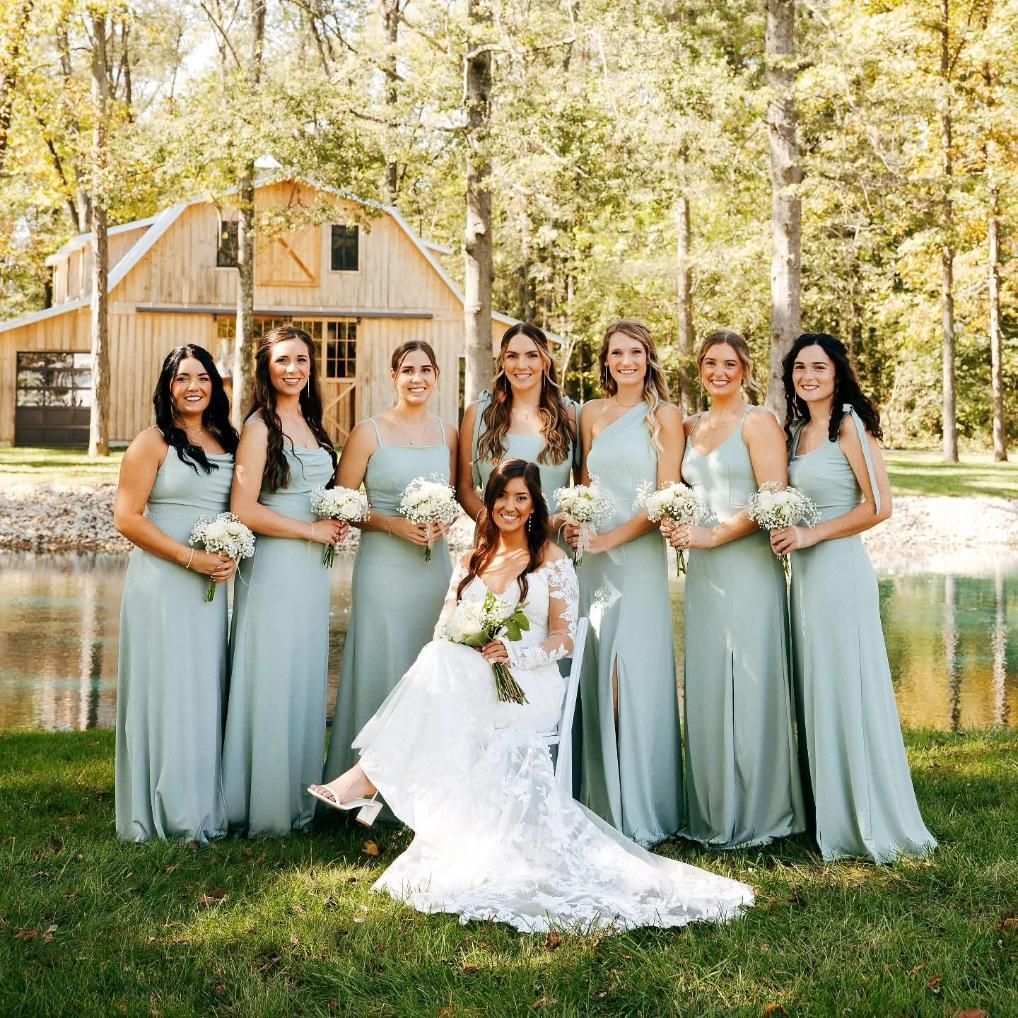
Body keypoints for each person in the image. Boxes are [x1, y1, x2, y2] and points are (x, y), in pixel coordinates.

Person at [310, 460, 753, 932]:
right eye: (502, 496)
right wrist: (471, 641)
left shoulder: (552, 561)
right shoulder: (471, 560)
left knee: (442, 663)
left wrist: (516, 653)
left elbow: (564, 637)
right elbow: (444, 629)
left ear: (534, 505)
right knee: (441, 654)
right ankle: (371, 778)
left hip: (530, 683)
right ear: (491, 500)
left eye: (521, 498)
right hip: (472, 678)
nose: (510, 506)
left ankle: (369, 777)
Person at [772, 332, 937, 862]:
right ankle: (829, 811)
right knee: (819, 687)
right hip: (805, 579)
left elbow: (880, 506)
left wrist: (811, 534)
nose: (808, 376)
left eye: (818, 366)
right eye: (799, 368)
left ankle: (867, 818)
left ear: (837, 371)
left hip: (840, 573)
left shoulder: (851, 425)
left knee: (848, 686)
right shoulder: (797, 431)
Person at [664, 331, 805, 848]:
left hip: (746, 568)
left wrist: (711, 534)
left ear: (744, 369)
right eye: (709, 362)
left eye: (728, 363)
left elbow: (772, 497)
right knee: (706, 683)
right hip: (703, 575)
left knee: (750, 680)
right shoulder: (690, 425)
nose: (718, 371)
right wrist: (674, 520)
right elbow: (677, 487)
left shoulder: (759, 422)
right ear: (699, 368)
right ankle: (711, 811)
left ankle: (761, 812)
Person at [221, 325, 346, 836]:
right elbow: (244, 509)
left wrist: (335, 520)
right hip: (274, 565)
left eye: (301, 359)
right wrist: (309, 530)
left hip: (312, 571)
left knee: (302, 672)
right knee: (272, 673)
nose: (293, 369)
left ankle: (298, 798)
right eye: (282, 361)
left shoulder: (313, 423)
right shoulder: (258, 426)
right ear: (266, 370)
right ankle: (264, 805)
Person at [113, 344, 239, 842]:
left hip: (210, 588)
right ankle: (157, 810)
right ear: (168, 386)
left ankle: (199, 804)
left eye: (203, 377)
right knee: (165, 689)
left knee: (200, 689)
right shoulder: (152, 442)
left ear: (215, 385)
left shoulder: (228, 439)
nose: (194, 386)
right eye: (183, 377)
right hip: (163, 583)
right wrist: (191, 558)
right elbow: (127, 518)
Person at [567, 319, 685, 846]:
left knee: (629, 674)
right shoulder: (590, 413)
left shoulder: (665, 416)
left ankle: (639, 803)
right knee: (593, 667)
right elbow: (584, 485)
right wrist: (577, 523)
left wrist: (612, 540)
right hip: (589, 559)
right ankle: (595, 800)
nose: (625, 362)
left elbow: (664, 497)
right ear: (606, 361)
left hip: (635, 559)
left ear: (648, 357)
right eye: (616, 353)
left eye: (634, 352)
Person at [322, 341, 457, 786]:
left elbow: (454, 499)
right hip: (383, 568)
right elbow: (341, 504)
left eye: (425, 370)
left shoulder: (447, 433)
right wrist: (392, 524)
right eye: (408, 370)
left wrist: (441, 520)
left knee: (429, 664)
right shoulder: (369, 431)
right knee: (380, 662)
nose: (417, 378)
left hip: (432, 567)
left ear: (436, 376)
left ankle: (421, 787)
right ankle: (361, 786)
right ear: (394, 376)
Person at [458, 322, 576, 534]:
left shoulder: (570, 415)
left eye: (531, 355)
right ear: (502, 361)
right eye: (512, 356)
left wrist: (552, 525)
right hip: (496, 549)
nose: (521, 365)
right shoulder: (477, 415)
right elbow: (464, 489)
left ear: (545, 362)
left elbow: (584, 491)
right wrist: (499, 528)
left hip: (552, 548)